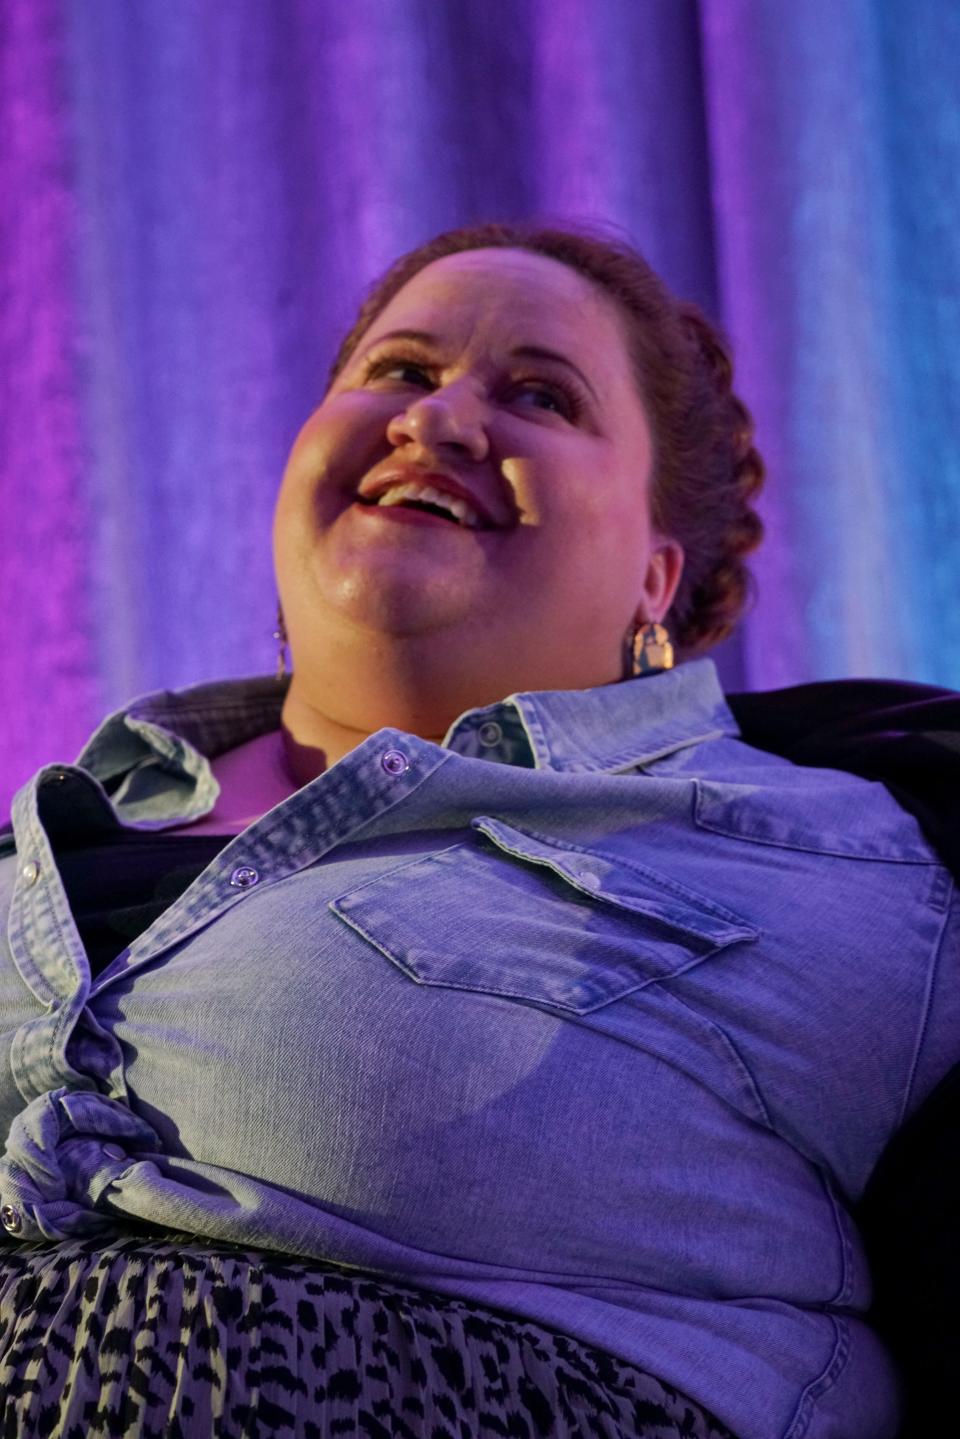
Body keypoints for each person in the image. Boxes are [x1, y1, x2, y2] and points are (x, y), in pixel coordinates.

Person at [0, 221, 955, 1439]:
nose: (438, 420)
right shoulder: (48, 835)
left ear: (657, 582)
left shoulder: (851, 860)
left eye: (541, 396)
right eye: (399, 372)